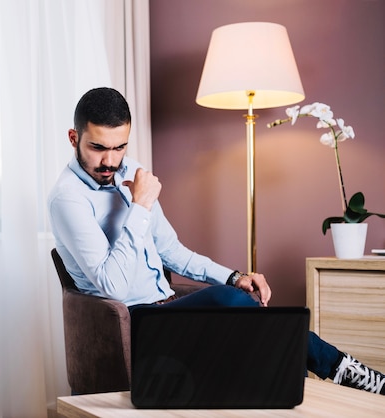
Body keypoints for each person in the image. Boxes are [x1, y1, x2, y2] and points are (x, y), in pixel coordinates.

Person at [48, 86, 385, 395]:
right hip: (129, 326)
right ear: (73, 137)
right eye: (98, 148)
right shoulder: (68, 199)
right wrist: (140, 206)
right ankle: (346, 372)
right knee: (231, 306)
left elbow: (171, 251)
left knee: (238, 304)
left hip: (168, 309)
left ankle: (343, 371)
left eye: (119, 147)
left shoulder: (131, 171)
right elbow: (113, 286)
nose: (110, 161)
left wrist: (235, 277)